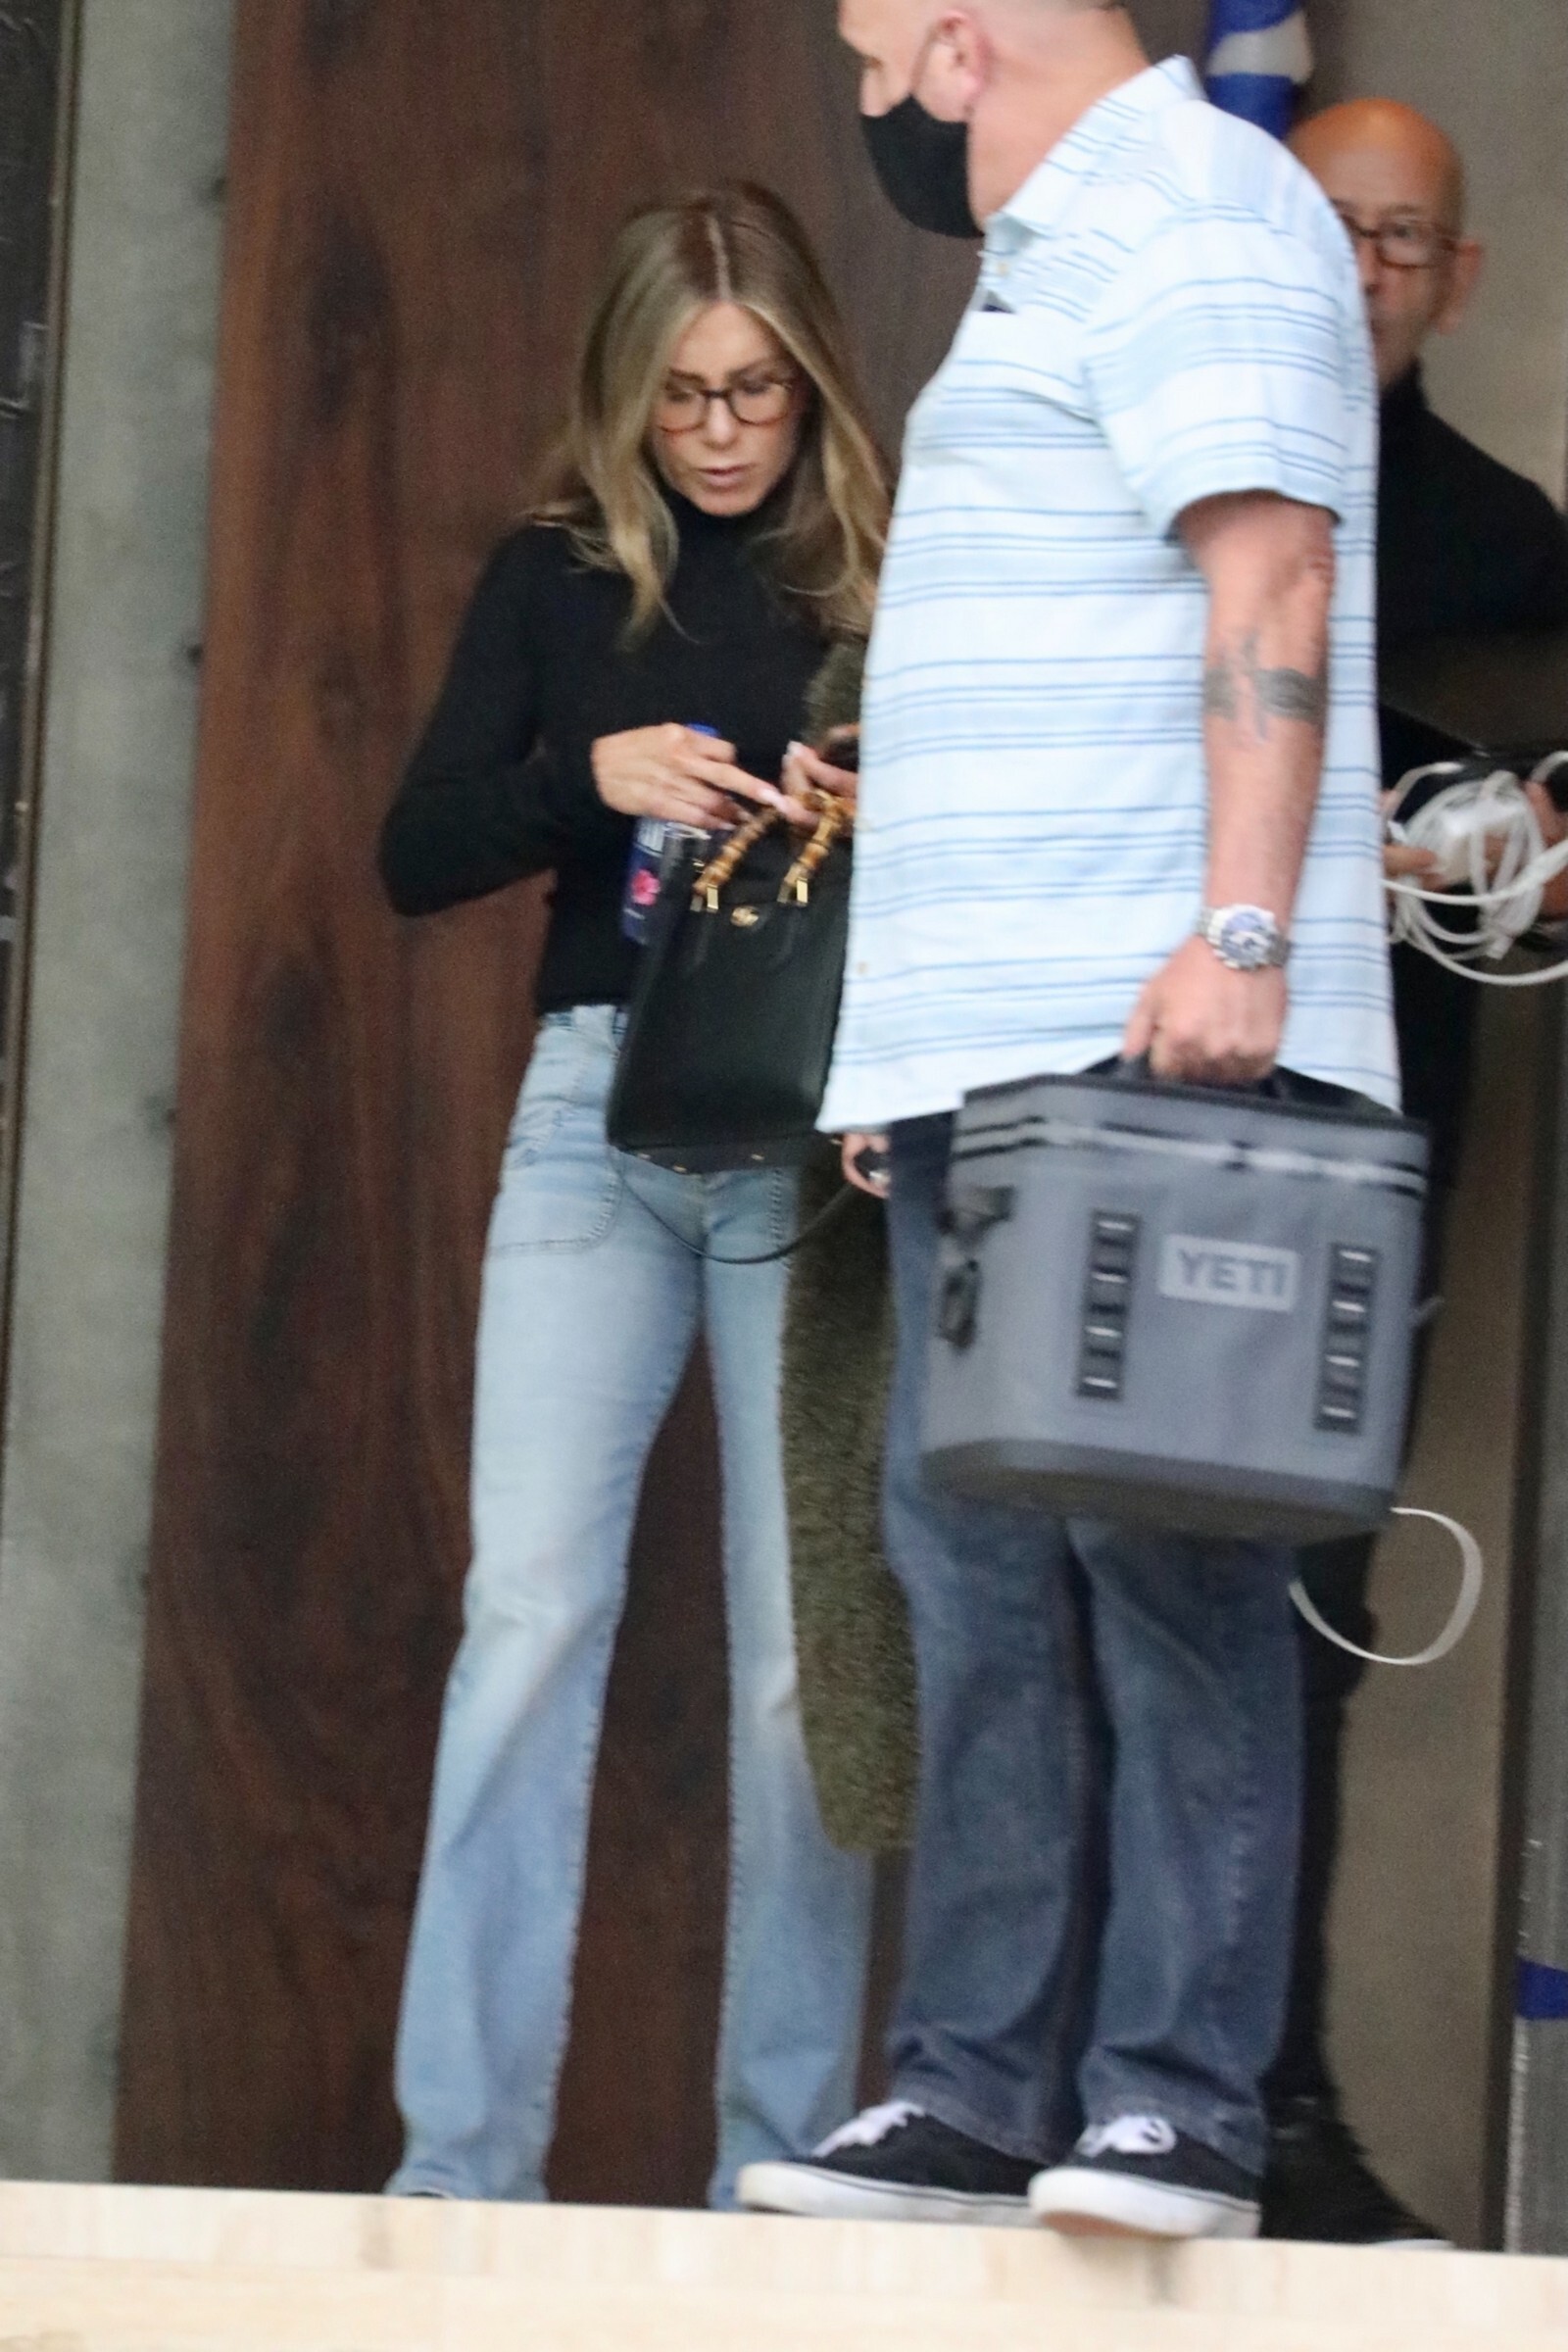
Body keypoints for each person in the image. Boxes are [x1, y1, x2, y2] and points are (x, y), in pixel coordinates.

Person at [738, 0, 1396, 2242]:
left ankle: (1172, 2105)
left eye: (861, 51)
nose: (860, 94)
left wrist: (1238, 933)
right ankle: (972, 2088)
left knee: (1163, 1559)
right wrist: (899, 1057)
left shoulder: (1194, 206)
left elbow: (1269, 576)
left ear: (951, 45)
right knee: (974, 1575)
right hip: (986, 1052)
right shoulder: (1061, 249)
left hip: (1143, 1032)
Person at [377, 183, 889, 2208]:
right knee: (525, 1615)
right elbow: (414, 851)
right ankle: (459, 2169)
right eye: (682, 396)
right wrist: (581, 784)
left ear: (810, 381)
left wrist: (867, 804)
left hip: (808, 1137)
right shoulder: (557, 573)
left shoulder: (884, 569)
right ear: (624, 392)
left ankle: (784, 2168)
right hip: (595, 1107)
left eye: (756, 390)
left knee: (798, 1669)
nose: (722, 432)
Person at [1255, 99, 1568, 2249]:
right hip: (1116, 1110)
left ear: (1455, 279)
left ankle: (1272, 2102)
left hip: (1374, 1135)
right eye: (1328, 227)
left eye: (1398, 239)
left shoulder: (1502, 540)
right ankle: (1075, 2086)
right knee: (1075, 1595)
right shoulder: (1166, 464)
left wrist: (1525, 829)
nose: (1360, 269)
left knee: (1304, 1608)